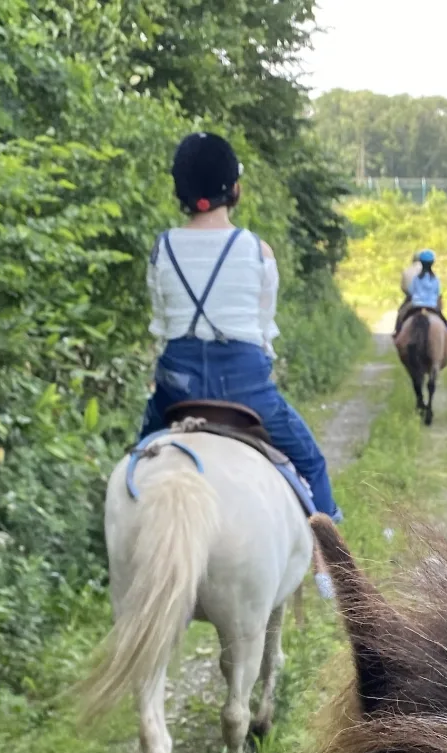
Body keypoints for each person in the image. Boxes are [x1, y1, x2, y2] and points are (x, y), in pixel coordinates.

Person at [139, 131, 338, 520]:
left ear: (181, 191)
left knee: (134, 466)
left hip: (175, 389)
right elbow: (264, 334)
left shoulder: (161, 249)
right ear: (234, 189)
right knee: (313, 464)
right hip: (247, 389)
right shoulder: (257, 251)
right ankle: (332, 572)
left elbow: (162, 327)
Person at [397, 249, 447, 334]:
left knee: (401, 315)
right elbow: (438, 293)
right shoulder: (435, 278)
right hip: (432, 306)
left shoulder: (416, 278)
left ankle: (397, 333)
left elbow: (410, 291)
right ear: (432, 263)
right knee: (446, 323)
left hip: (416, 304)